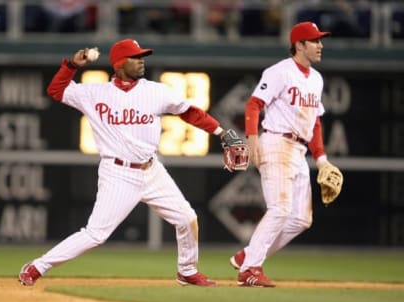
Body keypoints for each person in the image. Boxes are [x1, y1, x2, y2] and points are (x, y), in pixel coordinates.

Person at [18, 38, 244, 287]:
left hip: (151, 169)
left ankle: (187, 270)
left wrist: (222, 132)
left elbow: (190, 112)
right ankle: (37, 266)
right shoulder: (94, 92)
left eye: (142, 57)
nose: (141, 61)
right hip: (117, 173)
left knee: (186, 218)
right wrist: (72, 65)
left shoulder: (156, 91)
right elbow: (56, 90)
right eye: (135, 57)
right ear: (119, 63)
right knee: (95, 234)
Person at [229, 21, 342, 287]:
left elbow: (314, 122)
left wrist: (322, 158)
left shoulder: (316, 79)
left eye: (320, 40)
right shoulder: (279, 72)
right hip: (276, 142)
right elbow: (254, 104)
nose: (320, 45)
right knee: (279, 208)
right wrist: (252, 139)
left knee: (301, 219)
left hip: (300, 149)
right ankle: (249, 270)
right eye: (314, 41)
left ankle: (249, 255)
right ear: (299, 45)